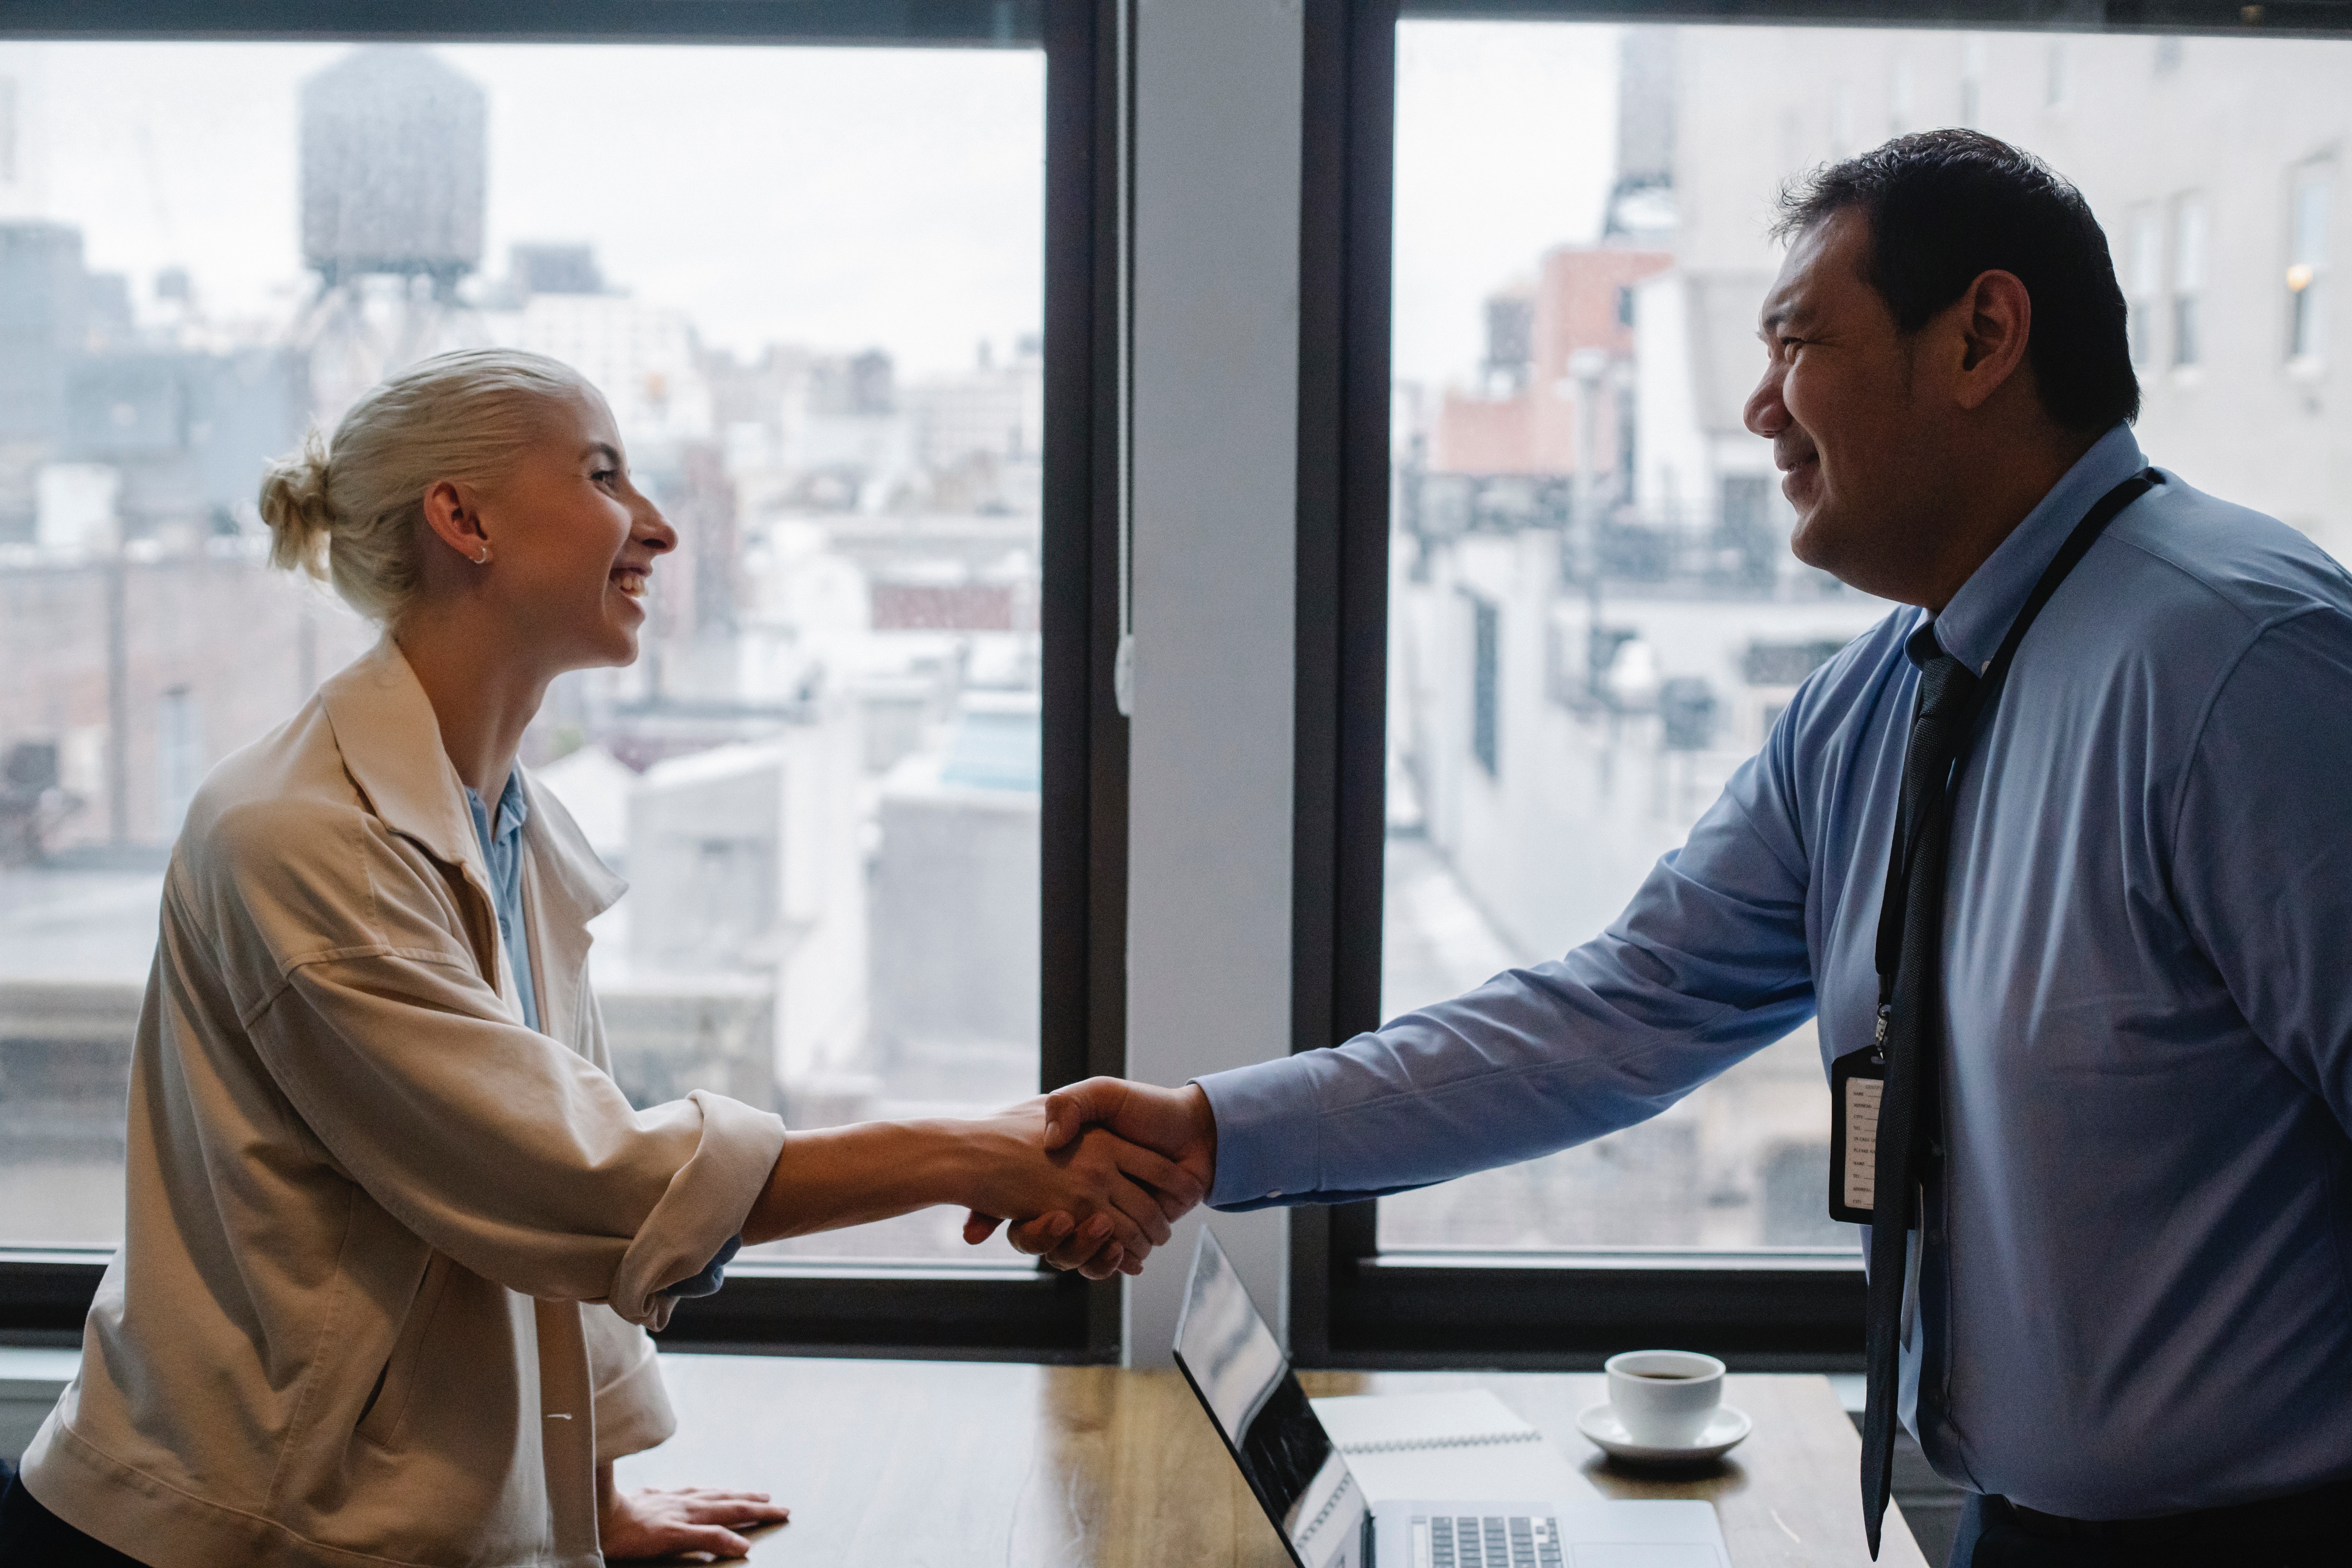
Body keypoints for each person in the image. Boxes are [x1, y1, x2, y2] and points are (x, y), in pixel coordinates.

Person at [980, 130, 2352, 1566]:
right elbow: (1613, 1016)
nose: (1758, 409)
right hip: (2006, 1528)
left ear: (1983, 337)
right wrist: (1210, 1134)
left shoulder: (2247, 667)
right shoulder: (1879, 702)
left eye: (1796, 344)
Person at [0, 348, 1195, 1568]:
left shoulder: (503, 814)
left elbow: (538, 1212)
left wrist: (590, 1498)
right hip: (233, 1535)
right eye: (607, 474)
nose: (660, 528)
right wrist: (962, 1156)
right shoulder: (307, 838)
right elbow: (576, 1180)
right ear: (460, 520)